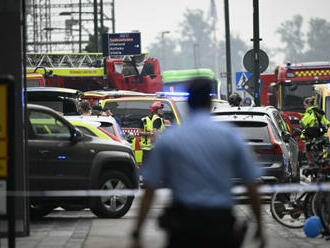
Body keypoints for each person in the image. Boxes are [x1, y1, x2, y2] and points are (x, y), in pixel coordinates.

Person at [131, 77, 265, 248]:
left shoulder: (171, 138)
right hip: (220, 225)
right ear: (210, 103)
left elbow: (150, 189)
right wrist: (260, 227)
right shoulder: (230, 136)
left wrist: (137, 231)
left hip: (183, 227)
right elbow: (252, 185)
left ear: (188, 103)